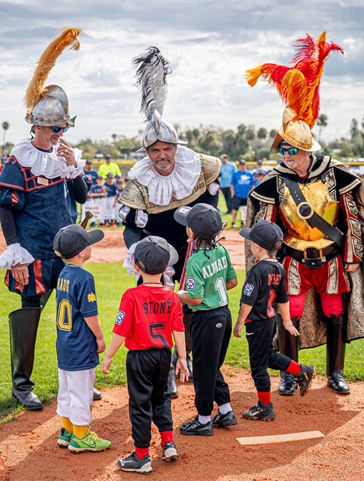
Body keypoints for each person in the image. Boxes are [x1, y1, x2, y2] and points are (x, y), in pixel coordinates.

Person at [246, 32, 364, 397]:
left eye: (292, 150)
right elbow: (264, 225)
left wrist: (352, 256)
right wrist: (267, 259)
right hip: (291, 259)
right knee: (290, 315)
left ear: (308, 150)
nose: (286, 155)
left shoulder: (338, 175)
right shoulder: (274, 182)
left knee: (336, 314)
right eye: (283, 149)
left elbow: (352, 217)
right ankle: (290, 373)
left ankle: (336, 372)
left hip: (333, 259)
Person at [0, 26, 90, 411]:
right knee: (31, 316)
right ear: (36, 126)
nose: (58, 133)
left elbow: (81, 196)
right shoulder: (19, 160)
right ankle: (22, 384)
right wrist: (15, 254)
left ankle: (79, 381)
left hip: (66, 251)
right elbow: (5, 209)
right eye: (53, 128)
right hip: (33, 252)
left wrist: (73, 168)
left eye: (62, 128)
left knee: (77, 316)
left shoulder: (65, 155)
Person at [118, 46, 222, 399]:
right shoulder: (139, 182)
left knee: (191, 309)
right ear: (147, 153)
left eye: (167, 149)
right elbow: (130, 226)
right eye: (155, 151)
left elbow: (212, 213)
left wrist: (203, 249)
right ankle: (165, 374)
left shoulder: (200, 170)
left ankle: (186, 360)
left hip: (193, 253)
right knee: (155, 314)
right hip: (154, 259)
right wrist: (140, 253)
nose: (162, 156)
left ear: (176, 147)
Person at [101, 236, 189, 474]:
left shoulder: (131, 295)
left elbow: (121, 330)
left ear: (136, 266)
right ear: (167, 268)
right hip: (164, 356)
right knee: (161, 398)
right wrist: (182, 357)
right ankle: (168, 442)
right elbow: (179, 328)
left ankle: (141, 457)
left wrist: (108, 356)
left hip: (140, 358)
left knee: (140, 405)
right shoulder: (172, 296)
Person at [234, 221, 315, 421]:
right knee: (268, 356)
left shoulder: (257, 270)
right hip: (269, 321)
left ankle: (265, 407)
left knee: (258, 366)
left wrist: (239, 322)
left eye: (251, 241)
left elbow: (248, 300)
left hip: (257, 324)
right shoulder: (278, 267)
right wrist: (286, 322)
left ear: (258, 247)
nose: (250, 244)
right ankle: (302, 370)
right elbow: (283, 296)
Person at [174, 204, 238, 436]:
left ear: (192, 232)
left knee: (202, 370)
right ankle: (225, 410)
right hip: (224, 314)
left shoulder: (194, 261)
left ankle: (203, 420)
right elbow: (231, 282)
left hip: (207, 319)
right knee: (212, 366)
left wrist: (176, 295)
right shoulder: (221, 251)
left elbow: (195, 297)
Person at [50, 225, 112, 454]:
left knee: (66, 390)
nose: (91, 246)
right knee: (82, 391)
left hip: (65, 345)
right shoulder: (84, 277)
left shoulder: (63, 273)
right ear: (80, 253)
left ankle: (66, 431)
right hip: (80, 344)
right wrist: (100, 337)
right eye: (88, 244)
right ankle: (81, 436)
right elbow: (89, 314)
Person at [228, 160, 254, 228]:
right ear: (239, 166)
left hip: (246, 195)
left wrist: (251, 193)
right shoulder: (235, 174)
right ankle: (233, 222)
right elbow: (232, 184)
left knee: (244, 209)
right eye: (241, 165)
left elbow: (252, 184)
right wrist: (232, 192)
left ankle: (242, 222)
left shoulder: (249, 174)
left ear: (245, 165)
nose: (243, 166)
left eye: (244, 164)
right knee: (235, 209)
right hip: (237, 194)